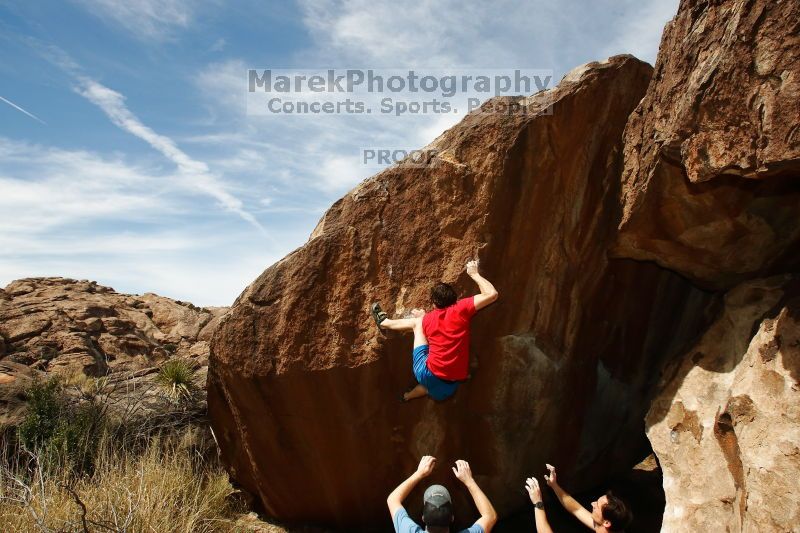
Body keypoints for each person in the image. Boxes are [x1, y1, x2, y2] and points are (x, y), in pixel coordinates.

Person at [371, 260, 499, 401]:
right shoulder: (462, 309)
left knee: (416, 324)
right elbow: (492, 294)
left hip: (427, 373)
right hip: (451, 383)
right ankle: (406, 397)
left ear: (434, 303)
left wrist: (422, 318)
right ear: (454, 297)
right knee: (429, 389)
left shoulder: (427, 320)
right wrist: (474, 274)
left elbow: (431, 324)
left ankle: (384, 323)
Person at [387, 455, 497, 533]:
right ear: (452, 518)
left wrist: (419, 473)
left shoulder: (408, 530)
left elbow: (393, 499)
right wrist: (469, 481)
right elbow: (490, 516)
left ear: (423, 518)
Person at [543, 464, 633, 532]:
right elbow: (576, 509)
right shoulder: (609, 527)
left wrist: (538, 503)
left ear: (606, 523)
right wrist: (554, 485)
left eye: (597, 505)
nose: (592, 503)